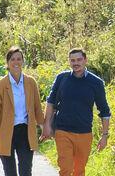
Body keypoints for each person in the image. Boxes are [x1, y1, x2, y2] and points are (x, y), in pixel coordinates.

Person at [43, 47, 110, 176]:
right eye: (72, 60)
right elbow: (51, 102)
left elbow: (105, 111)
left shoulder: (96, 83)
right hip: (63, 131)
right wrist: (46, 125)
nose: (76, 63)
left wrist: (104, 136)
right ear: (69, 62)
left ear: (85, 60)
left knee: (79, 171)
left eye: (79, 59)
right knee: (65, 169)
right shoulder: (62, 78)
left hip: (84, 133)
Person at [0, 46, 45, 176]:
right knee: (10, 172)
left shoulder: (30, 82)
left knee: (26, 171)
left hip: (25, 132)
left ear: (23, 61)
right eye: (13, 59)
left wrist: (44, 127)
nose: (16, 62)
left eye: (19, 59)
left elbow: (37, 108)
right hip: (6, 132)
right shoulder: (0, 85)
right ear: (8, 63)